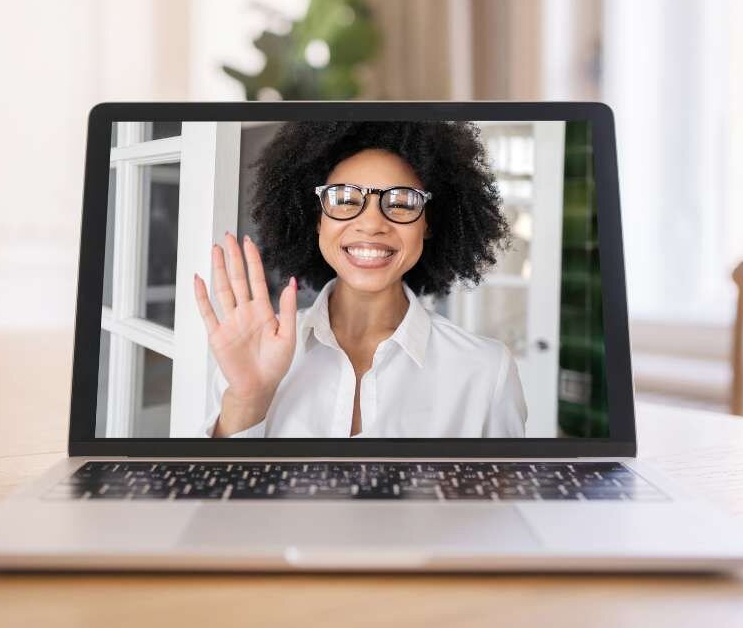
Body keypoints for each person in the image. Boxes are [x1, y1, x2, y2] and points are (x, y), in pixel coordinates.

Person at [192, 121, 526, 438]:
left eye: (401, 202)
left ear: (428, 224)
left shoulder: (486, 370)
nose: (371, 224)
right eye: (344, 199)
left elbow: (503, 498)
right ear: (317, 219)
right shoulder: (255, 348)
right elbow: (214, 497)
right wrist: (248, 400)